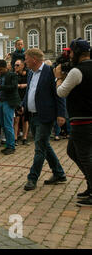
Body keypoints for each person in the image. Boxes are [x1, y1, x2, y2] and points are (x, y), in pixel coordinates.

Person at [22, 48, 67, 191]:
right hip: (33, 115)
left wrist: (61, 114)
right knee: (44, 145)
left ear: (34, 59)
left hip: (45, 116)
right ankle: (59, 173)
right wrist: (23, 105)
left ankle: (32, 178)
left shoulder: (49, 71)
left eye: (26, 58)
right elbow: (30, 91)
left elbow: (58, 95)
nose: (25, 61)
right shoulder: (30, 73)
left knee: (39, 148)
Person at [55, 38, 92, 206]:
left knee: (85, 156)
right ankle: (90, 185)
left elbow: (61, 92)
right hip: (86, 119)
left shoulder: (77, 71)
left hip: (82, 121)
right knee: (72, 151)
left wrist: (58, 78)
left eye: (71, 53)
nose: (69, 57)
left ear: (77, 53)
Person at [0, 60, 20, 155]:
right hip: (0, 101)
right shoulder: (1, 76)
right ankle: (8, 145)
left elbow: (13, 87)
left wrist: (1, 86)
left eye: (0, 69)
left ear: (5, 67)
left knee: (8, 125)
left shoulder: (12, 75)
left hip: (8, 102)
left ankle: (11, 146)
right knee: (3, 124)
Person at [14, 59, 29, 145]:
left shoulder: (28, 74)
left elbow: (31, 83)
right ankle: (15, 138)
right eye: (15, 65)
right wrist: (18, 85)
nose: (15, 67)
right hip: (16, 99)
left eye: (17, 65)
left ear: (23, 66)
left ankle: (24, 138)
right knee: (16, 119)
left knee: (25, 119)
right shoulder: (14, 75)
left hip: (25, 98)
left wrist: (25, 85)